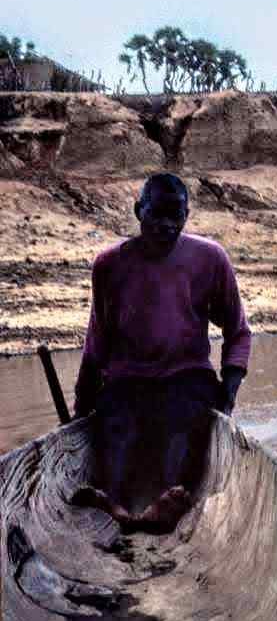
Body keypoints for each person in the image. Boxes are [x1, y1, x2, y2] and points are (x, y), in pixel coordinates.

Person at [71, 172, 251, 532]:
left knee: (182, 438)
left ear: (187, 215)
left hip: (187, 380)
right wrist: (81, 406)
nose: (168, 226)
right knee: (117, 438)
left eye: (177, 216)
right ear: (139, 211)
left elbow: (238, 332)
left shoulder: (210, 258)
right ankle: (119, 509)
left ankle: (165, 505)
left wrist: (227, 400)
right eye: (158, 215)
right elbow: (98, 341)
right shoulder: (109, 265)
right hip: (128, 382)